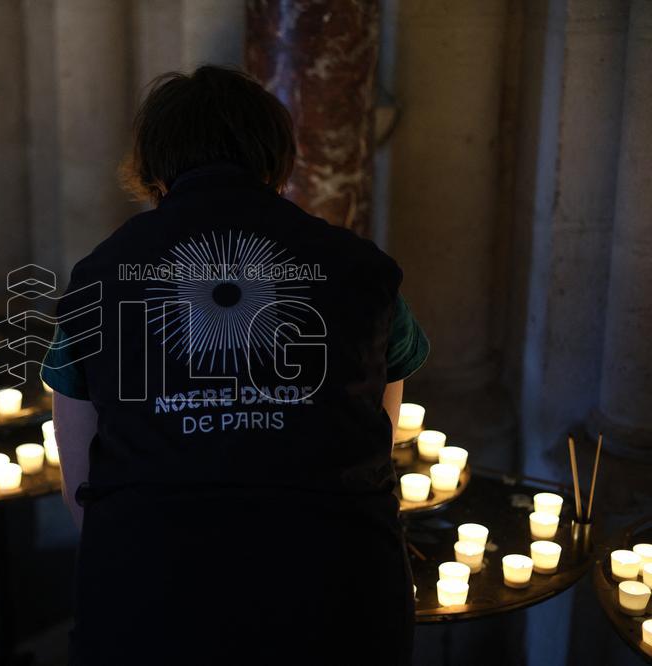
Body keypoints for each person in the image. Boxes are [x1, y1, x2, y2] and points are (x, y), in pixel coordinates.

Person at [41, 65, 429, 666]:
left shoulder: (100, 275)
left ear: (154, 163)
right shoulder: (361, 270)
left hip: (149, 599)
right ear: (276, 158)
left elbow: (80, 488)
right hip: (338, 594)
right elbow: (372, 447)